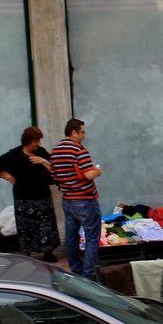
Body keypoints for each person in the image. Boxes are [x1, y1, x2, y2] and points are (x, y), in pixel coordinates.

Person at [0, 126, 60, 262]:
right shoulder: (14, 155)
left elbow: (55, 168)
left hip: (42, 196)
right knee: (26, 226)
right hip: (24, 198)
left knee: (46, 225)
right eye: (35, 141)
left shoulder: (41, 152)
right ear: (28, 141)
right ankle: (27, 251)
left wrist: (42, 161)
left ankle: (48, 252)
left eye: (38, 140)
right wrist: (10, 178)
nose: (38, 143)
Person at [50, 118, 103, 280]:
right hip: (85, 200)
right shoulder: (79, 150)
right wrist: (98, 170)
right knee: (92, 237)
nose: (84, 135)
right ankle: (89, 275)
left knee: (71, 237)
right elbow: (89, 174)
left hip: (68, 200)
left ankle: (76, 270)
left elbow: (54, 177)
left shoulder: (55, 152)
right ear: (74, 133)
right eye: (82, 132)